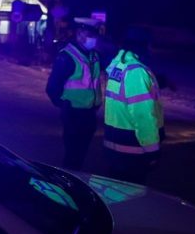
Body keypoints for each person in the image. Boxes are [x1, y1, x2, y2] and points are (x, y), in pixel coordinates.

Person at [103, 26, 164, 184]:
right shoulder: (136, 72)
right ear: (141, 45)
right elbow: (143, 115)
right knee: (133, 195)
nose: (151, 49)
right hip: (132, 151)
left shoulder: (120, 66)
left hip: (115, 147)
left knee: (115, 192)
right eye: (149, 44)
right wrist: (152, 150)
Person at [45, 18, 103, 170]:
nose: (93, 39)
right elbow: (52, 87)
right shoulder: (67, 56)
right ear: (79, 34)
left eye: (94, 36)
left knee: (81, 153)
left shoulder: (93, 55)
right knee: (72, 155)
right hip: (73, 113)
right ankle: (68, 179)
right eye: (90, 35)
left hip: (89, 113)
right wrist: (64, 104)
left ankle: (76, 175)